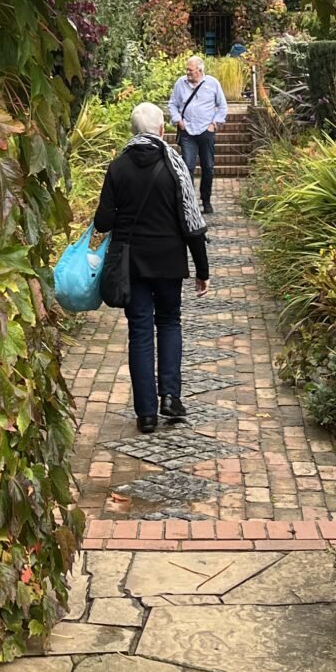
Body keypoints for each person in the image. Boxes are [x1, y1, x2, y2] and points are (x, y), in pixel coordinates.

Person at [94, 103, 210, 434]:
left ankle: (145, 413)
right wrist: (202, 270)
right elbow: (191, 222)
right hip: (170, 261)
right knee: (170, 323)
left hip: (132, 264)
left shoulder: (118, 167)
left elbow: (103, 221)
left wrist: (122, 214)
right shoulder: (175, 166)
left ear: (133, 132)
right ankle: (171, 397)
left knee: (140, 332)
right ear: (161, 130)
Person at [167, 54, 228, 216]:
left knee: (208, 167)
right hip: (187, 132)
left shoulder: (212, 83)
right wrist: (178, 120)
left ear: (200, 70)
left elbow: (222, 106)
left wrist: (213, 124)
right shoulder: (180, 83)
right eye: (187, 69)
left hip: (206, 132)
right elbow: (172, 104)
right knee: (187, 167)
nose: (187, 72)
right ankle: (188, 202)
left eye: (190, 70)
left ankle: (206, 200)